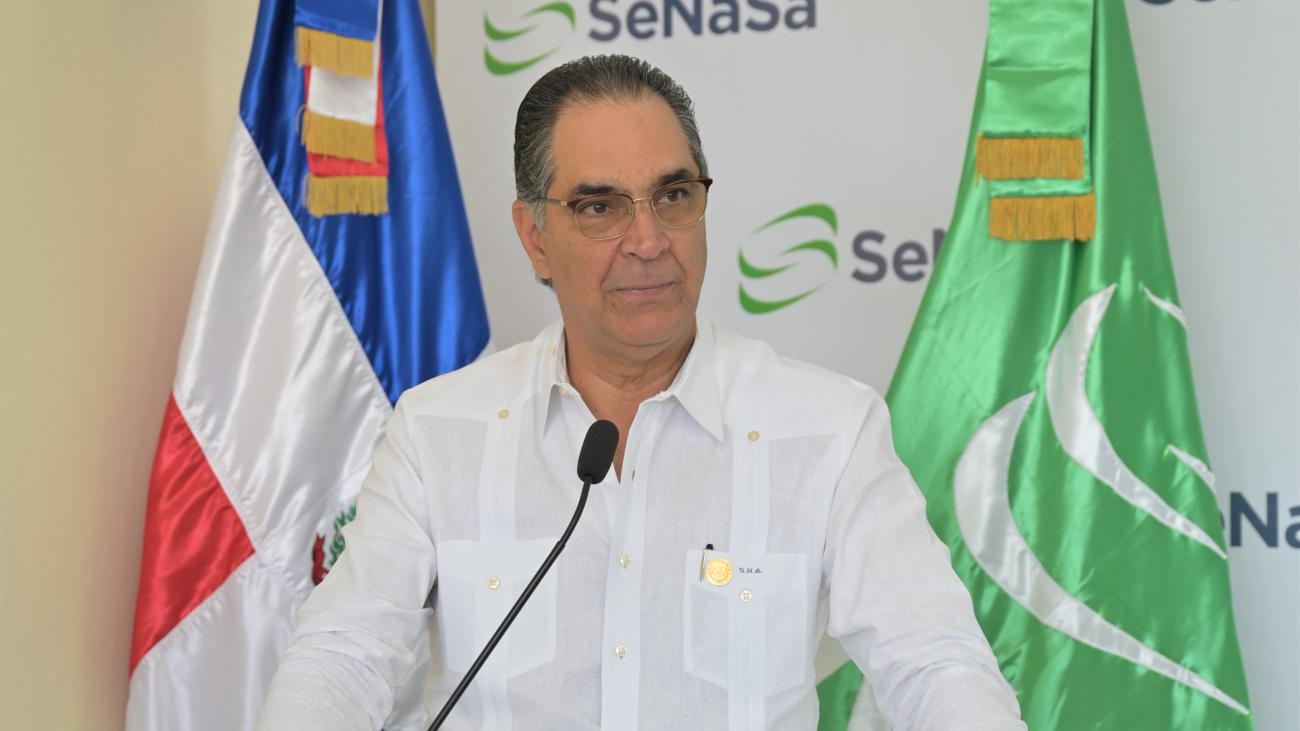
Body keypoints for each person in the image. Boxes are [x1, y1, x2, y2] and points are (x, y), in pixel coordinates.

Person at [257, 54, 1026, 730]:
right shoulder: (437, 431)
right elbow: (346, 652)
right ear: (535, 236)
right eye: (600, 207)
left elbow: (933, 658)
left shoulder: (828, 430)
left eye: (673, 195)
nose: (650, 240)